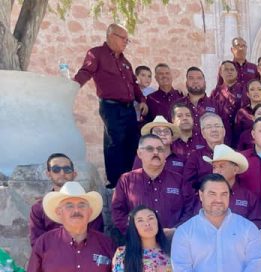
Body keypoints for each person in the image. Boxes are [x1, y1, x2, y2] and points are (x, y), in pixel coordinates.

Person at [73, 23, 147, 187]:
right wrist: (71, 87)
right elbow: (86, 72)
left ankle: (132, 179)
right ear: (111, 36)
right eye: (123, 39)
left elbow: (134, 85)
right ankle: (116, 182)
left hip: (128, 108)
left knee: (132, 142)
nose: (126, 43)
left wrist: (142, 100)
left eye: (128, 40)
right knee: (115, 142)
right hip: (111, 106)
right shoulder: (96, 53)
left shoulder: (125, 61)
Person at [112, 134, 188, 236]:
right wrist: (136, 233)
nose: (156, 152)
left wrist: (176, 230)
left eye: (160, 149)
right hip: (138, 244)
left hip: (175, 242)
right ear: (139, 153)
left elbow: (190, 209)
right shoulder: (126, 180)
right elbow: (118, 212)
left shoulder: (179, 180)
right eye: (150, 149)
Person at [29, 153, 104, 246]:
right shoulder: (39, 208)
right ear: (48, 174)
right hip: (52, 258)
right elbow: (37, 244)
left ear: (74, 174)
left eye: (67, 169)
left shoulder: (90, 205)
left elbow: (96, 238)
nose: (62, 173)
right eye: (56, 169)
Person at [184, 144, 261, 227]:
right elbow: (195, 223)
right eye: (214, 167)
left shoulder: (249, 197)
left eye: (221, 166)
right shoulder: (204, 195)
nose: (216, 171)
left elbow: (257, 225)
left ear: (235, 170)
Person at [179, 67, 223, 141]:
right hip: (184, 151)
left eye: (199, 78)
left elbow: (225, 132)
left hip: (210, 151)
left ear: (205, 82)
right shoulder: (177, 106)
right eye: (191, 78)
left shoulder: (216, 105)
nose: (195, 81)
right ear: (186, 83)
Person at [211, 61, 246, 144]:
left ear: (237, 73)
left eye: (232, 69)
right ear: (221, 73)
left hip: (240, 132)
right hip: (222, 134)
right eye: (226, 69)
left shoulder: (245, 89)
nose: (229, 71)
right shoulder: (216, 92)